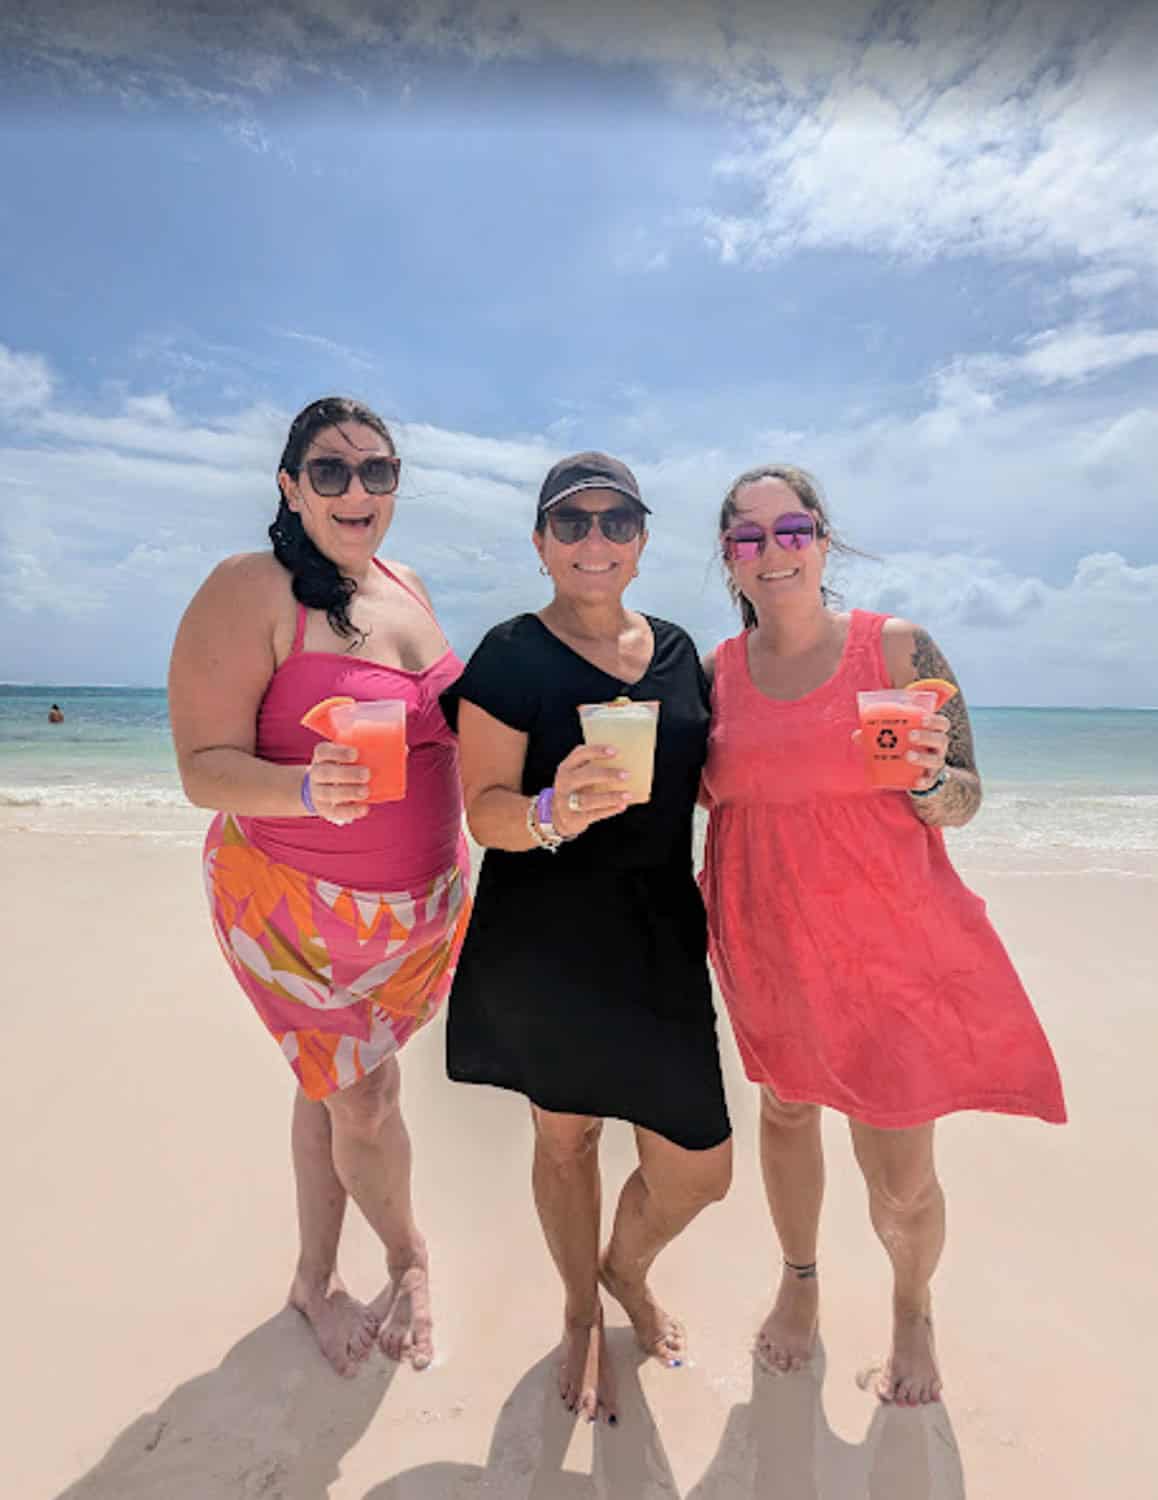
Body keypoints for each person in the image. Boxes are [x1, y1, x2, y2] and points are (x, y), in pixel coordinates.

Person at [700, 464, 1065, 1407]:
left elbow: (965, 799)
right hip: (768, 942)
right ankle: (801, 1278)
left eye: (791, 530)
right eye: (746, 536)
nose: (771, 551)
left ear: (823, 539)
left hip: (891, 949)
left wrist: (929, 783)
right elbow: (696, 798)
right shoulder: (714, 678)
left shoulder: (899, 650)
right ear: (728, 558)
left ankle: (912, 1306)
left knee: (900, 1169)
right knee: (786, 1113)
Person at [169, 396, 470, 1377]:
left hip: (417, 922)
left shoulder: (405, 583)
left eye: (377, 471)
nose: (356, 489)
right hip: (298, 913)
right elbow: (202, 770)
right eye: (331, 471)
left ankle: (311, 1272)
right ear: (290, 486)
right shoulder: (248, 589)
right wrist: (305, 788)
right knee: (368, 1100)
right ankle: (404, 1257)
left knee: (331, 1089)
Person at [441, 452, 733, 1426]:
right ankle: (579, 1312)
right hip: (546, 938)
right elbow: (482, 811)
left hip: (657, 935)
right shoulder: (511, 654)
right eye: (572, 524)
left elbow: (714, 776)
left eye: (616, 523)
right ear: (540, 544)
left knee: (700, 1166)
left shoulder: (683, 653)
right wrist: (554, 811)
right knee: (564, 1140)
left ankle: (624, 1269)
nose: (595, 540)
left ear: (643, 544)